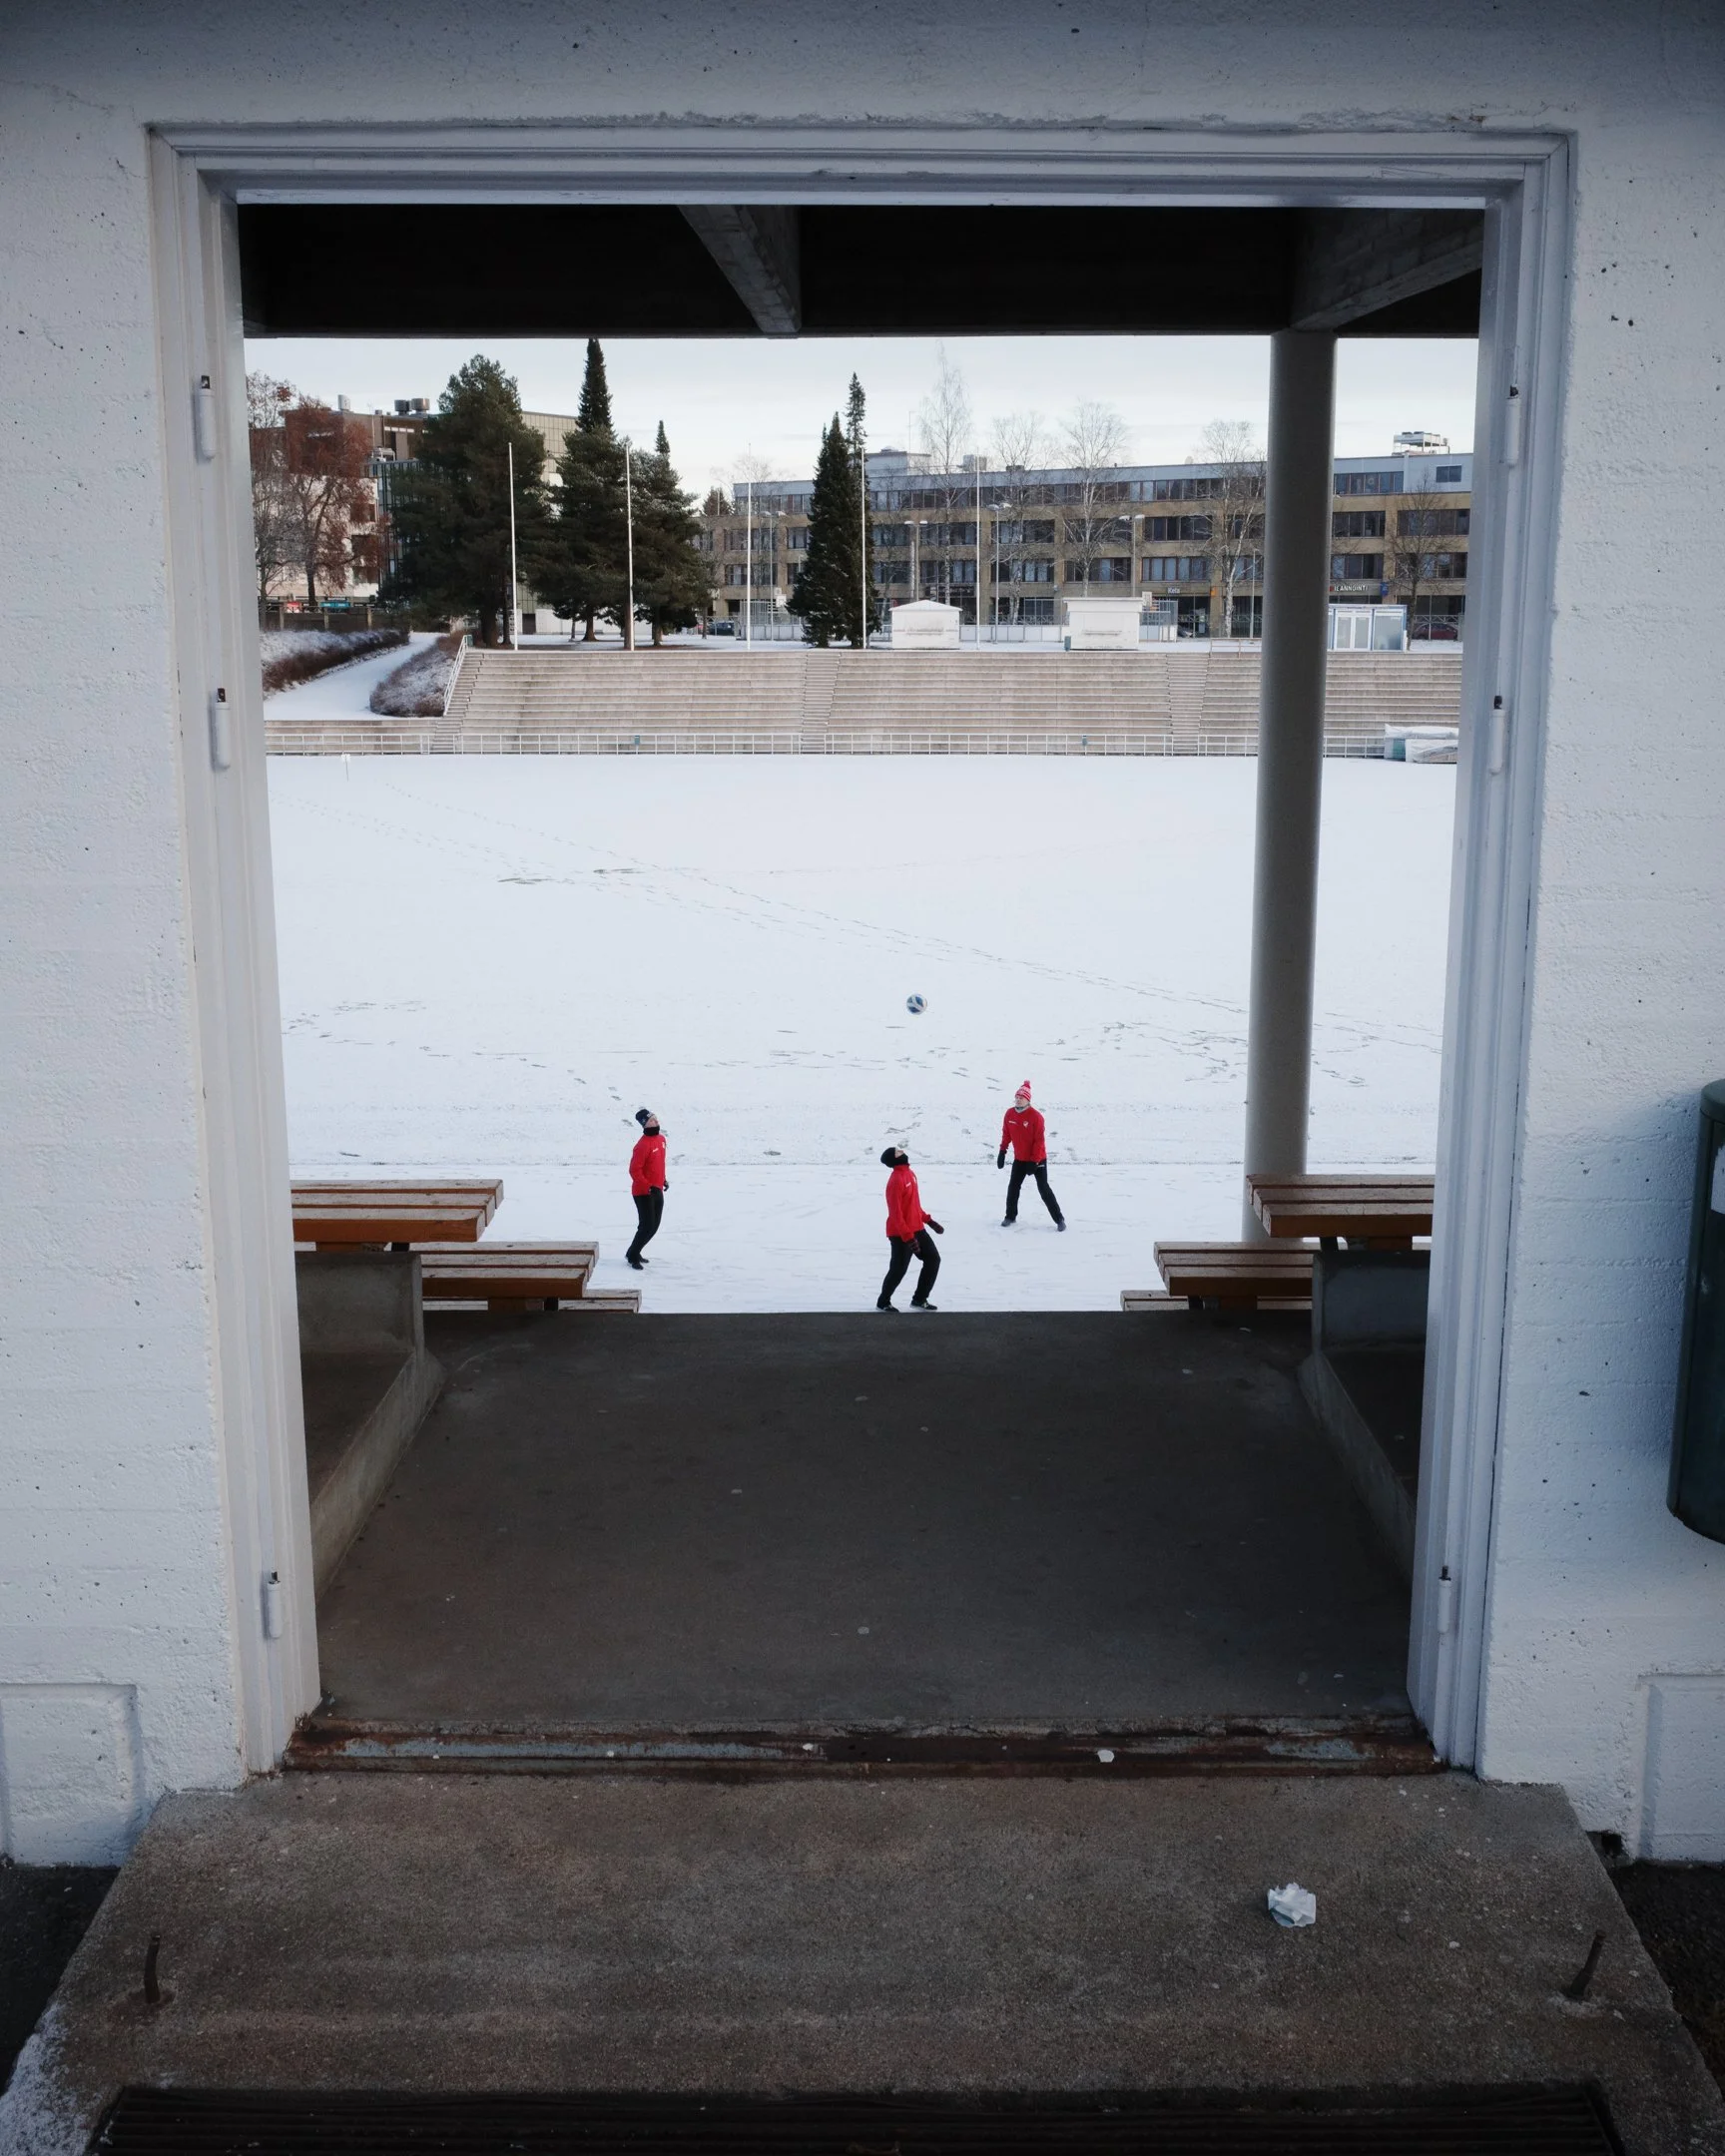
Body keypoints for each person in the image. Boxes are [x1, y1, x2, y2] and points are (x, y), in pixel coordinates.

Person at [877, 1145, 943, 1311]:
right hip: (900, 1233)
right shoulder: (895, 1180)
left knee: (933, 1259)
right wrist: (908, 1237)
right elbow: (896, 1213)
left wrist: (929, 1221)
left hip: (917, 1229)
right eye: (898, 1152)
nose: (902, 1152)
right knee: (898, 1270)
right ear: (895, 1159)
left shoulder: (910, 1174)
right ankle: (883, 1302)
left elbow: (914, 1205)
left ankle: (920, 1299)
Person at [997, 1080, 1065, 1229]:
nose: (1018, 1099)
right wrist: (1002, 1151)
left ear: (1028, 1100)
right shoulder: (1009, 1114)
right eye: (1017, 1097)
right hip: (1020, 1159)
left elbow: (1039, 1141)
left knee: (1043, 1188)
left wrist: (1034, 1161)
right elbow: (1006, 1134)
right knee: (1013, 1187)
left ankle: (1059, 1219)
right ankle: (1010, 1216)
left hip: (1038, 1159)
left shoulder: (1036, 1117)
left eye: (1021, 1097)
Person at [626, 1109, 668, 1270]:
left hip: (657, 1189)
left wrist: (663, 1180)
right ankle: (632, 1256)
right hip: (643, 1192)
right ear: (644, 1124)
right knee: (646, 1226)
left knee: (654, 1226)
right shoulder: (642, 1145)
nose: (656, 1122)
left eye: (656, 1119)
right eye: (652, 1120)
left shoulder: (662, 1140)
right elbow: (634, 1170)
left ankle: (634, 1251)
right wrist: (648, 1186)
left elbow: (658, 1164)